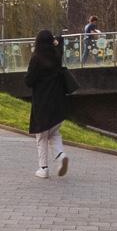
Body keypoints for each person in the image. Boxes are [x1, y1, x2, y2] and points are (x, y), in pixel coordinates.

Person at [25, 30, 73, 179]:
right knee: (54, 134)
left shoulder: (36, 59)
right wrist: (56, 41)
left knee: (42, 137)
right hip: (58, 103)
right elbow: (60, 40)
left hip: (42, 104)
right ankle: (61, 155)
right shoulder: (57, 56)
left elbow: (28, 81)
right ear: (51, 42)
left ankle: (43, 168)